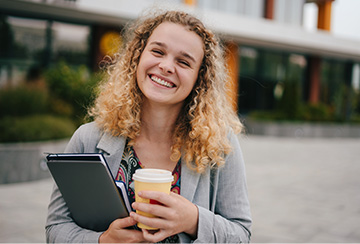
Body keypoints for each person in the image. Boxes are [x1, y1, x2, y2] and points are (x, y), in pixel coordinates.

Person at [46, 9, 252, 243]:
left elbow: (241, 235)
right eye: (157, 51)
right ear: (138, 56)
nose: (166, 66)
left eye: (183, 62)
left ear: (199, 78)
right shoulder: (88, 139)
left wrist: (193, 219)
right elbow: (56, 228)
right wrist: (102, 241)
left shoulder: (219, 144)